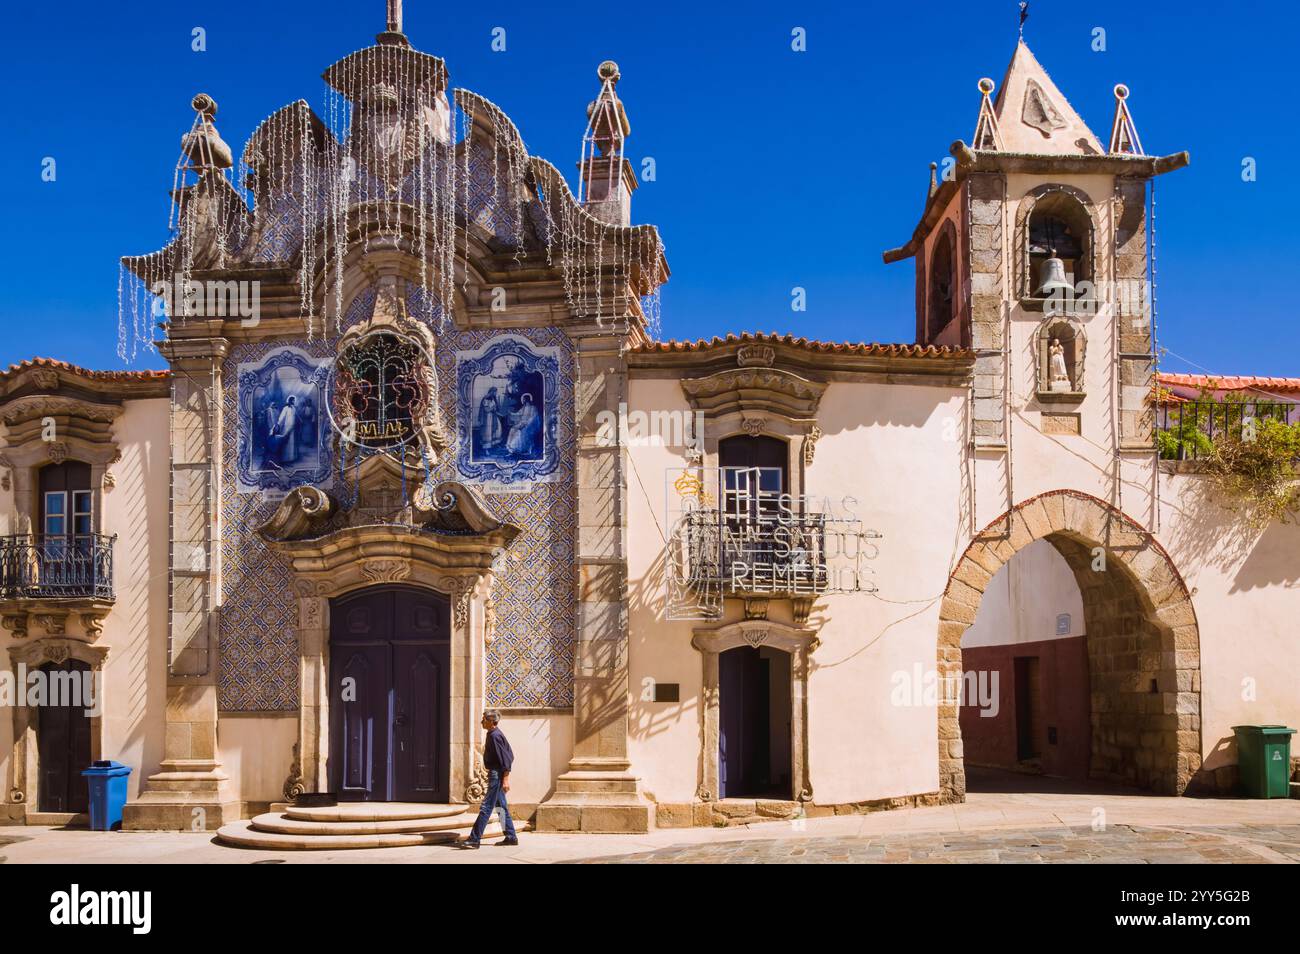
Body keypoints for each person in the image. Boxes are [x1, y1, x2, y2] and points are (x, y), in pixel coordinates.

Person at [459, 709, 519, 848]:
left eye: (484, 719)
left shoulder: (495, 736)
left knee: (486, 807)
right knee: (501, 807)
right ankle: (511, 836)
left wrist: (505, 779)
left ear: (492, 722)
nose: (482, 721)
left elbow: (506, 759)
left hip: (497, 775)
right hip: (496, 773)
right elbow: (510, 754)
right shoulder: (494, 734)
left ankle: (475, 839)